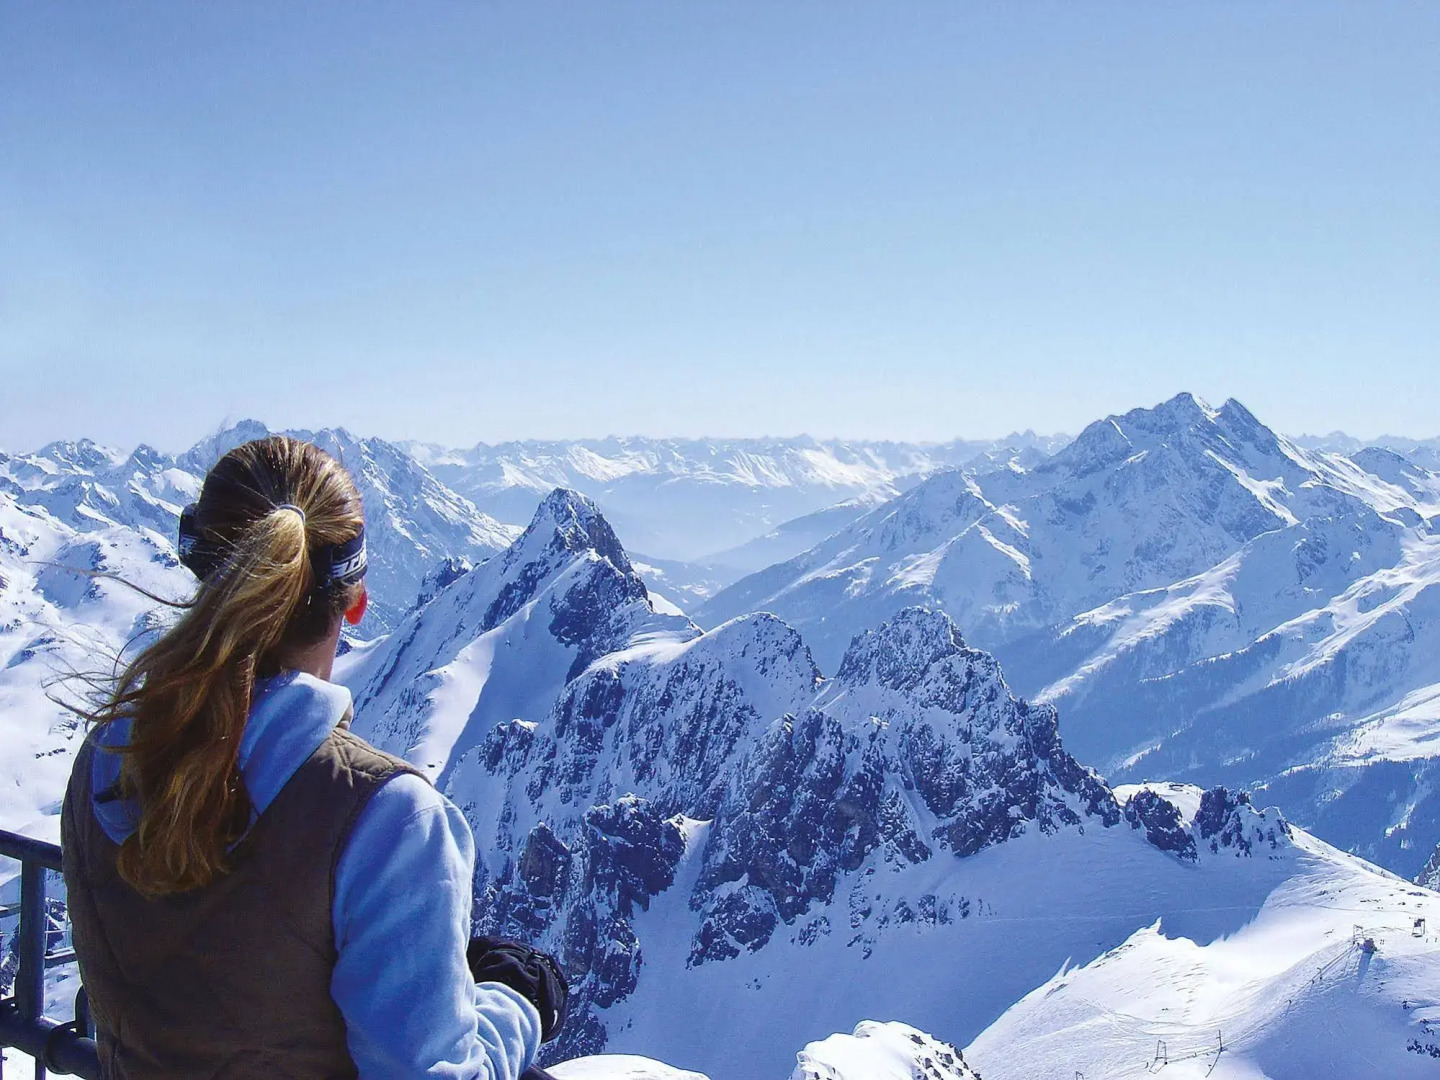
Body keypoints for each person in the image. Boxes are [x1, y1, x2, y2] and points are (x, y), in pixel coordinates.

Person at [61, 435, 567, 1079]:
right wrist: (514, 1001)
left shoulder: (107, 762)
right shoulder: (386, 820)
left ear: (201, 575)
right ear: (354, 601)